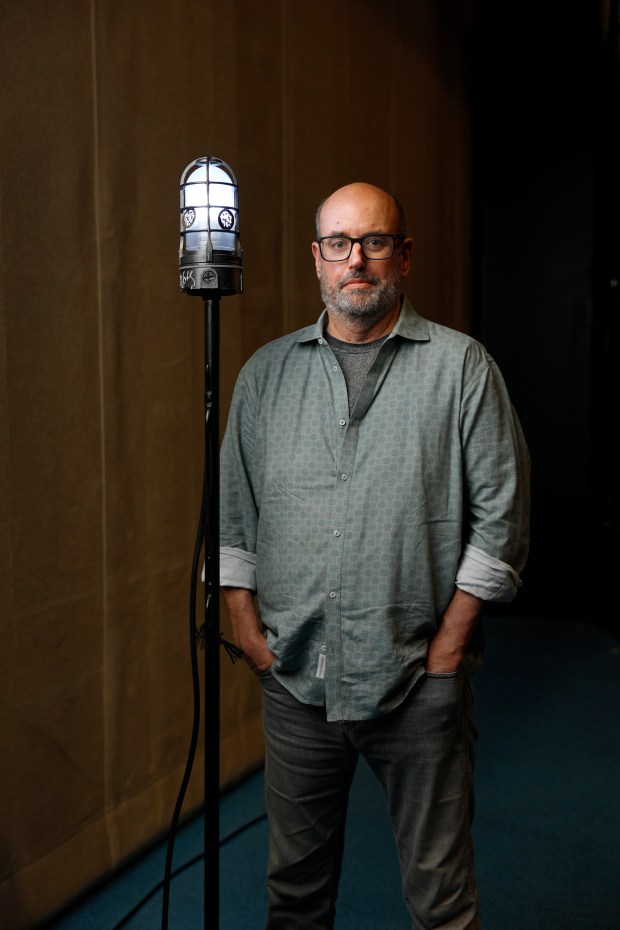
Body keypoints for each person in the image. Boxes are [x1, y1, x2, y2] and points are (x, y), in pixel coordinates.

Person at [220, 182, 530, 930]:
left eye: (374, 241)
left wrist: (450, 648)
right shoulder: (266, 375)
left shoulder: (462, 368)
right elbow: (236, 512)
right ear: (317, 261)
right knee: (294, 894)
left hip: (419, 679)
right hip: (295, 679)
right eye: (338, 243)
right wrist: (247, 628)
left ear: (404, 254)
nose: (355, 259)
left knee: (440, 900)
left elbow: (503, 517)